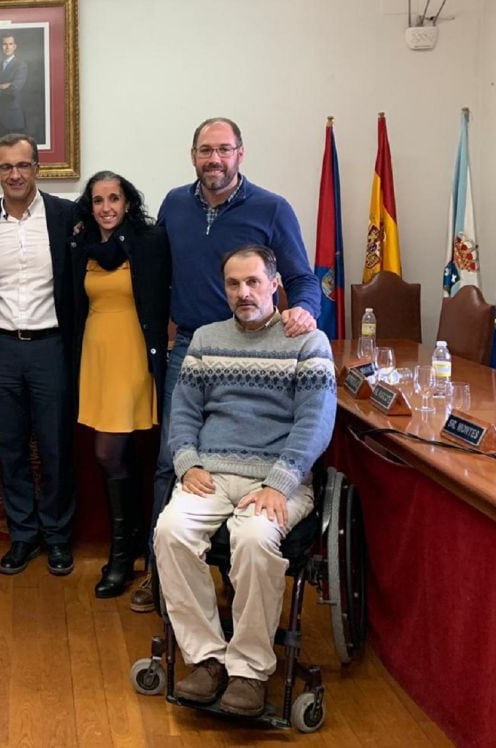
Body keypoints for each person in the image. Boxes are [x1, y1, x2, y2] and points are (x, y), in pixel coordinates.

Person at [131, 116, 323, 613]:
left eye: (223, 150)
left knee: (247, 454)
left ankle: (239, 575)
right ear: (192, 155)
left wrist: (303, 312)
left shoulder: (272, 208)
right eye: (204, 151)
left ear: (240, 153)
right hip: (194, 348)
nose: (213, 160)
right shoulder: (174, 204)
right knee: (171, 462)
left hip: (261, 345)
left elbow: (301, 277)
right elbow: (156, 270)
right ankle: (161, 571)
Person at [153, 245, 335, 716]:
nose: (243, 292)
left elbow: (315, 422)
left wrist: (280, 482)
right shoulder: (206, 339)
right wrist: (187, 463)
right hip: (210, 473)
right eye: (234, 284)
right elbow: (184, 411)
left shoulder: (308, 342)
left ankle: (250, 672)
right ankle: (207, 659)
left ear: (275, 283)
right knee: (170, 533)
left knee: (254, 540)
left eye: (254, 282)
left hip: (277, 479)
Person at [0, 133, 77, 575]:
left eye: (23, 165)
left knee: (54, 449)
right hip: (2, 351)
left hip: (51, 347)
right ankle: (23, 536)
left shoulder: (66, 216)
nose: (15, 174)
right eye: (5, 167)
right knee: (10, 450)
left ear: (38, 169)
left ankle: (57, 537)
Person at [71, 171, 171, 598]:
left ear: (128, 202)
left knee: (109, 451)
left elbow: (166, 295)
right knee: (117, 454)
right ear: (89, 206)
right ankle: (130, 548)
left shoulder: (148, 242)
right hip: (96, 358)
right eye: (98, 200)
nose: (106, 207)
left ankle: (121, 555)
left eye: (114, 198)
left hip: (132, 357)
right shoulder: (82, 247)